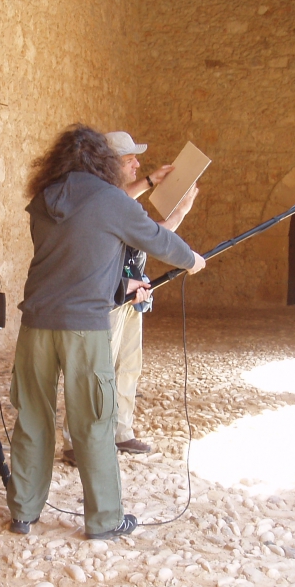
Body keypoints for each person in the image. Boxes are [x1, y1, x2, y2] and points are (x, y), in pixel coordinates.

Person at [8, 124, 206, 539]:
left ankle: (23, 513)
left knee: (32, 418)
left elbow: (73, 260)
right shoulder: (112, 201)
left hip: (36, 325)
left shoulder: (43, 200)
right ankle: (105, 520)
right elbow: (157, 241)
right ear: (103, 161)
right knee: (94, 421)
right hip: (84, 328)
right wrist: (192, 260)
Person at [61, 131, 198, 464]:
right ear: (109, 165)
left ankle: (119, 432)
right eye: (129, 160)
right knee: (95, 370)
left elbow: (126, 202)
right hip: (105, 298)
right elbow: (154, 236)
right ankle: (78, 442)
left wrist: (151, 181)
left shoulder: (114, 197)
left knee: (127, 366)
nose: (137, 163)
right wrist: (180, 212)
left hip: (130, 295)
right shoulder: (103, 200)